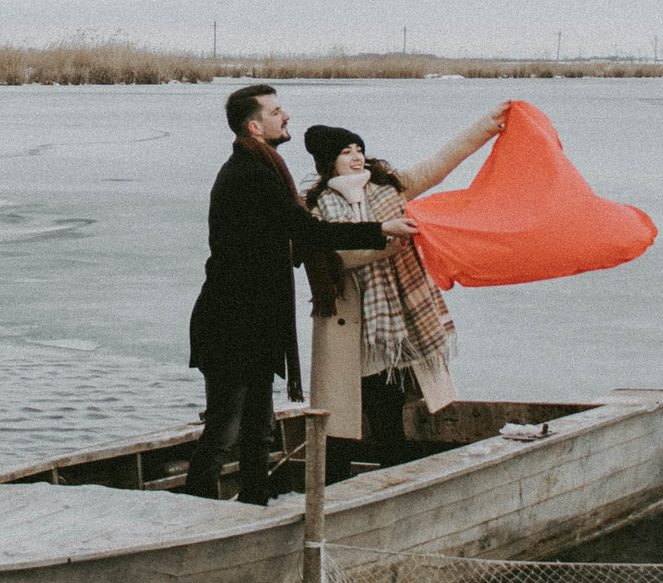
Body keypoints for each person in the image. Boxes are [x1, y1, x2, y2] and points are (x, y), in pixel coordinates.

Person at [184, 84, 415, 503]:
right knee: (225, 430)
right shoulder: (251, 174)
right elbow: (306, 230)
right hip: (230, 324)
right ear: (255, 126)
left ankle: (254, 505)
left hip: (253, 322)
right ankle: (194, 513)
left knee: (258, 428)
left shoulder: (263, 167)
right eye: (276, 112)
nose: (286, 116)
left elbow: (286, 239)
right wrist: (380, 230)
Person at [302, 106, 507, 471]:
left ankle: (391, 483)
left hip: (394, 326)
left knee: (387, 412)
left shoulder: (392, 187)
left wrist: (488, 125)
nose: (356, 157)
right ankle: (331, 493)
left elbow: (441, 162)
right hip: (347, 328)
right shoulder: (315, 207)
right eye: (346, 152)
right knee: (337, 423)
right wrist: (384, 240)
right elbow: (330, 258)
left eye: (358, 149)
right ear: (328, 162)